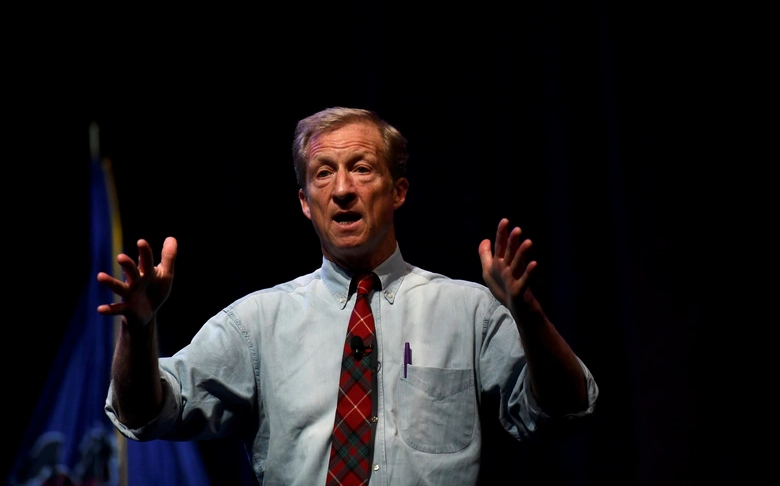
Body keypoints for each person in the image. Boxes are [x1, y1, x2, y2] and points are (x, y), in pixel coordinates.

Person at [97, 106, 598, 485]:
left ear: (398, 190)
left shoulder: (466, 312)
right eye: (323, 174)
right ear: (304, 203)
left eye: (361, 168)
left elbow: (565, 409)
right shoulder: (257, 323)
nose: (342, 190)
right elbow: (144, 412)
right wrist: (139, 329)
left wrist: (526, 312)